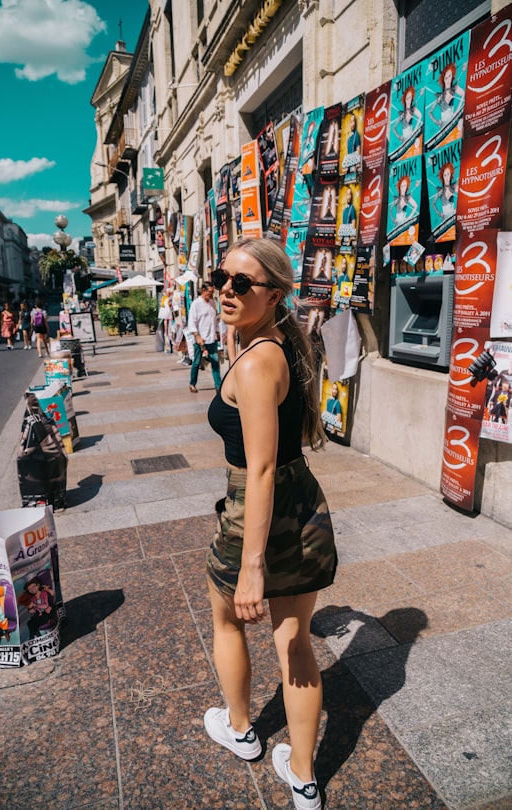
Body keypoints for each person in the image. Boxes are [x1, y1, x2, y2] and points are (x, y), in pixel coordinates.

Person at [205, 238, 337, 810]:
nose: (226, 290)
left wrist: (253, 567)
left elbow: (258, 469)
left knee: (230, 622)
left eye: (242, 284)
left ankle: (240, 730)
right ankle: (304, 778)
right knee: (296, 643)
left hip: (255, 512)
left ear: (275, 295)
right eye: (222, 277)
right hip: (300, 503)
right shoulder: (270, 340)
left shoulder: (258, 361)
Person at [187, 282, 222, 393]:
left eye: (212, 292)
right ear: (203, 290)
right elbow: (192, 321)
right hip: (200, 338)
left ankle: (218, 385)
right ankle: (192, 383)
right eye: (209, 292)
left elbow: (214, 319)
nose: (211, 294)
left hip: (211, 338)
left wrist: (217, 332)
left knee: (215, 362)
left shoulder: (212, 303)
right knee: (197, 362)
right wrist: (197, 336)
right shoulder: (196, 304)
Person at [428, 63, 465, 127]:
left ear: (452, 76)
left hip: (453, 121)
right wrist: (437, 122)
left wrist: (457, 111)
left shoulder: (454, 89)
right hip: (444, 126)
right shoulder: (440, 96)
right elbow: (429, 112)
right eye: (446, 78)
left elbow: (463, 94)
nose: (448, 80)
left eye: (450, 76)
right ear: (443, 79)